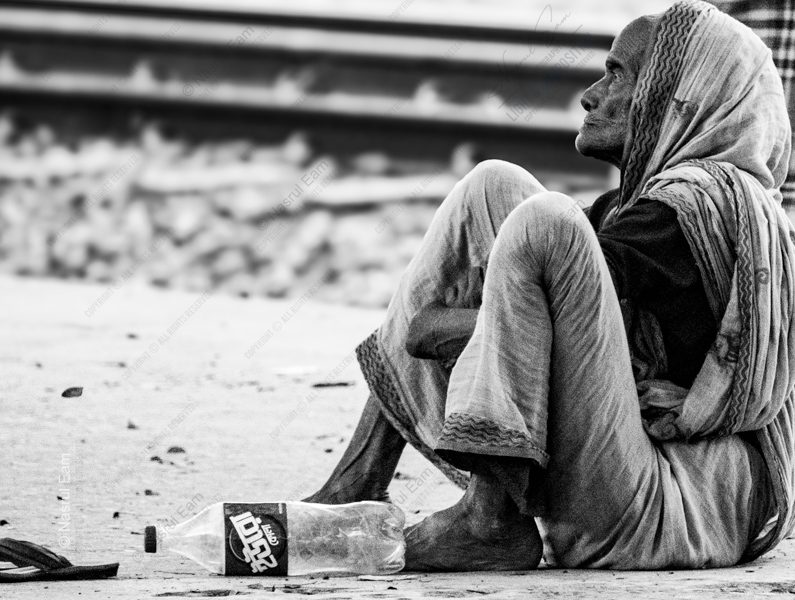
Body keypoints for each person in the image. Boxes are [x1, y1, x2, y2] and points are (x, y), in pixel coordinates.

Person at [304, 0, 795, 571]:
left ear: (676, 98)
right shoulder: (647, 207)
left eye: (616, 75)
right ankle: (358, 484)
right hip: (629, 486)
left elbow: (451, 332)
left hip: (670, 508)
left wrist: (440, 326)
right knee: (495, 186)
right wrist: (469, 327)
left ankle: (489, 522)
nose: (590, 95)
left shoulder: (686, 214)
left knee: (546, 224)